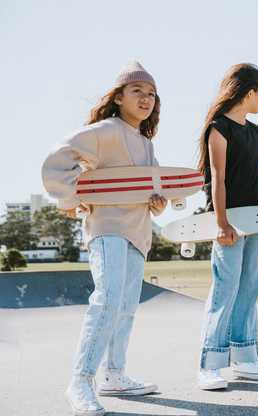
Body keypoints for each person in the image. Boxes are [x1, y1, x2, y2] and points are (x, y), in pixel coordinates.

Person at [42, 59, 167, 416]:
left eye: (151, 94)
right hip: (108, 227)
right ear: (118, 97)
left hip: (138, 233)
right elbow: (56, 160)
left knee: (125, 308)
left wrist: (157, 204)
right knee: (108, 299)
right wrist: (71, 200)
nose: (146, 98)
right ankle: (80, 380)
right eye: (137, 91)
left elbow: (146, 194)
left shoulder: (146, 144)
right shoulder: (106, 130)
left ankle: (114, 374)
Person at [196, 63, 258, 390]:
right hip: (229, 220)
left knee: (251, 285)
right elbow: (218, 178)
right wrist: (221, 223)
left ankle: (244, 357)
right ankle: (210, 362)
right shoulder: (218, 127)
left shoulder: (257, 131)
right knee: (226, 287)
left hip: (257, 219)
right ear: (248, 91)